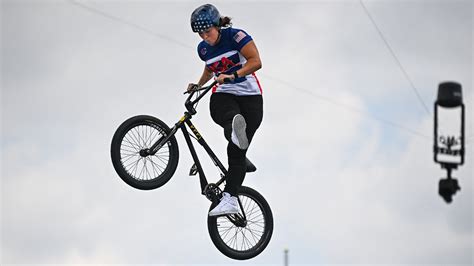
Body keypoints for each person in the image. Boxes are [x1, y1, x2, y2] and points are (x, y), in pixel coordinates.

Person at [187, 4, 264, 216]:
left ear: (217, 26)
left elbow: (256, 61)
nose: (205, 37)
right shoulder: (203, 49)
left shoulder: (236, 36)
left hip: (250, 98)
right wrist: (199, 84)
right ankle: (235, 131)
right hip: (225, 94)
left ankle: (230, 198)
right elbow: (210, 67)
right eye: (200, 34)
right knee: (219, 108)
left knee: (235, 154)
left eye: (207, 32)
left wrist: (233, 75)